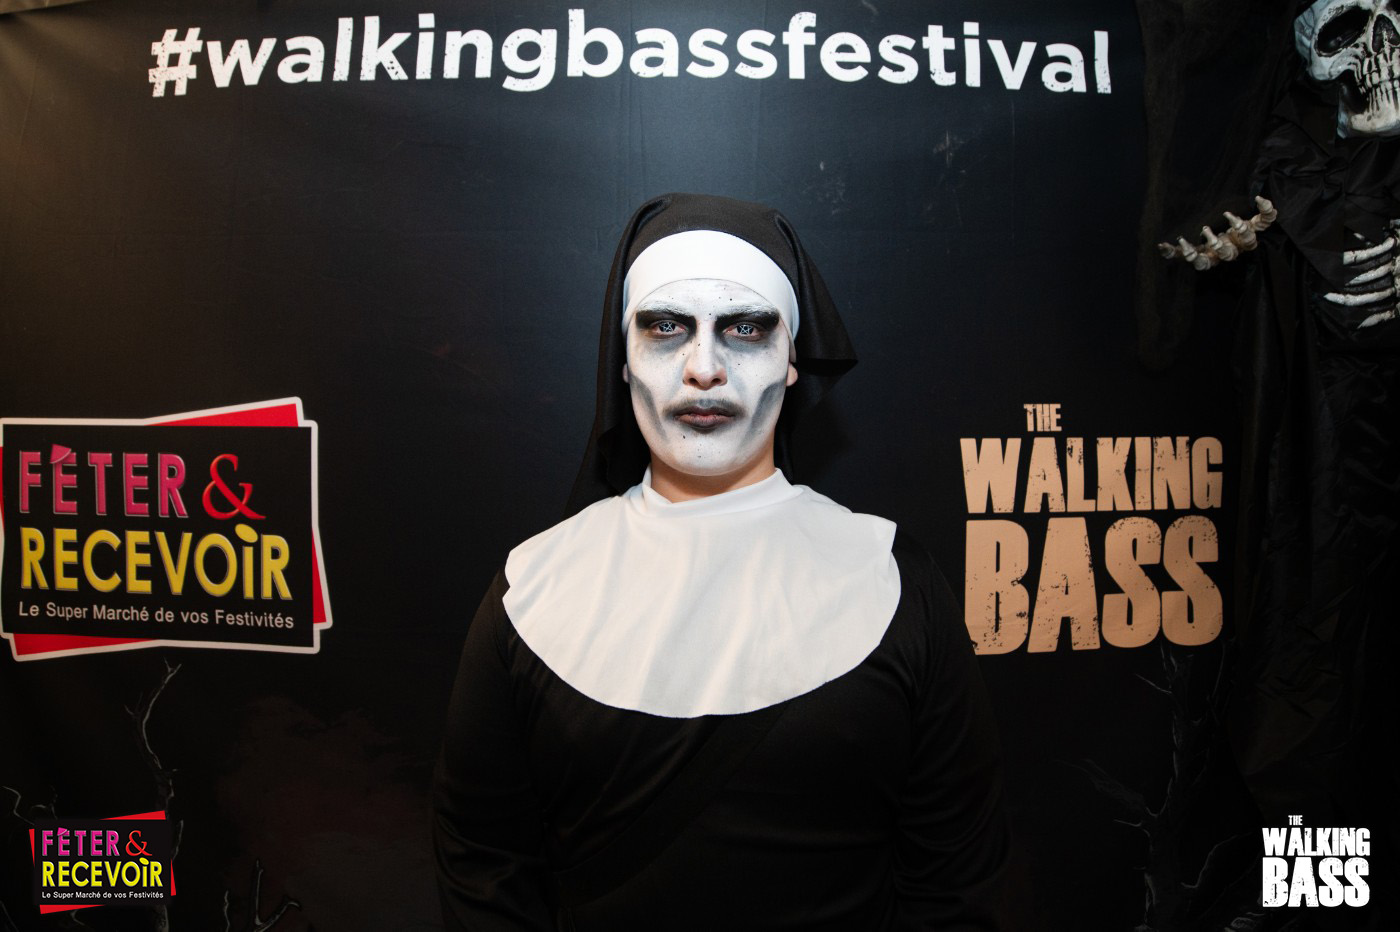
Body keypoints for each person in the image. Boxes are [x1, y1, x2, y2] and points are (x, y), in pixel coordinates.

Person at [433, 193, 1011, 930]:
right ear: (623, 362)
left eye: (744, 329)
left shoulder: (893, 578)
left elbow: (956, 879)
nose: (703, 369)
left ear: (792, 361)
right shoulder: (532, 586)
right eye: (665, 327)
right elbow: (482, 863)